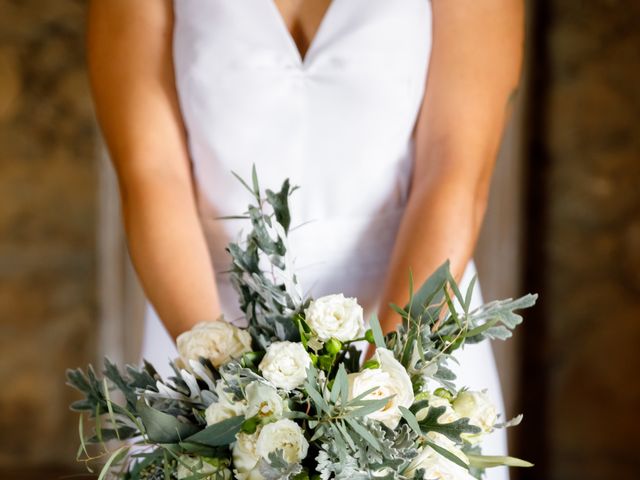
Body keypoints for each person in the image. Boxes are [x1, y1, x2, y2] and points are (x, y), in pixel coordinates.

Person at [87, 1, 523, 479]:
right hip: (199, 317)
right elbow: (151, 175)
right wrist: (229, 398)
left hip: (409, 315)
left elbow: (455, 175)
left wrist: (373, 401)